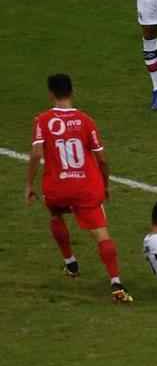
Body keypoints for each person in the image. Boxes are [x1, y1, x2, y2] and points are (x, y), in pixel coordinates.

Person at [24, 73, 132, 303]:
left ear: (51, 94)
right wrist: (105, 184)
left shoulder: (42, 120)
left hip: (57, 187)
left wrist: (28, 184)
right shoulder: (86, 121)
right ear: (72, 92)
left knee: (55, 213)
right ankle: (116, 284)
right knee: (102, 235)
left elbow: (35, 154)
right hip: (85, 187)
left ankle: (70, 263)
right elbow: (101, 159)